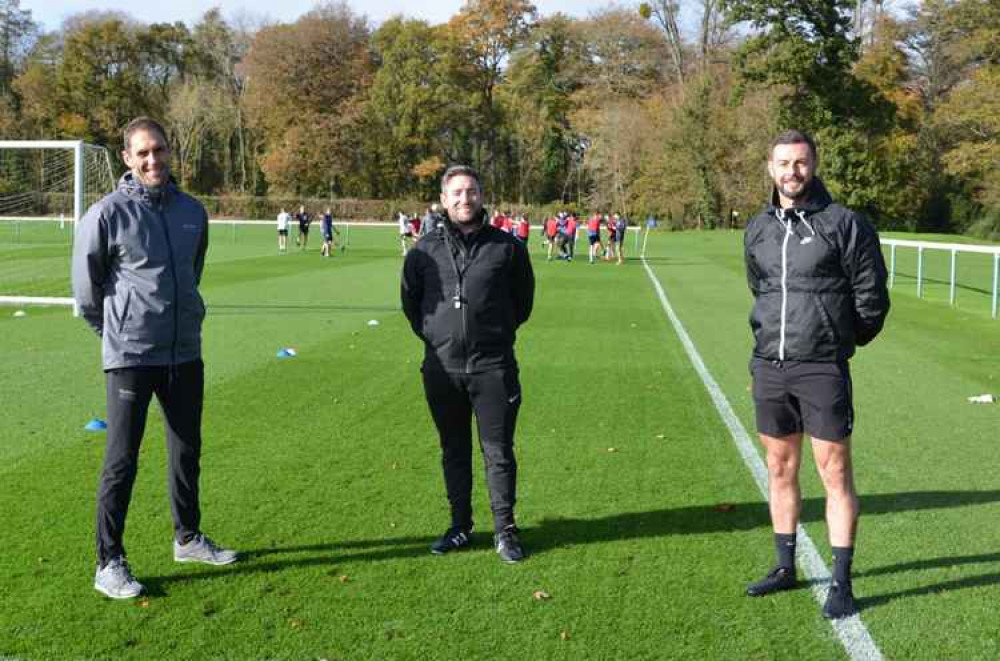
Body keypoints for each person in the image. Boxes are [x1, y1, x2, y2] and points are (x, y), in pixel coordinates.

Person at [72, 117, 237, 600]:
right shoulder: (107, 214)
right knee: (121, 458)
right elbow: (86, 292)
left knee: (187, 449)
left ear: (170, 151)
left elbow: (193, 271)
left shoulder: (192, 212)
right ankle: (110, 562)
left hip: (184, 351)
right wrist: (118, 333)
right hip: (130, 355)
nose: (153, 160)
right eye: (142, 153)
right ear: (127, 158)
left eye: (159, 150)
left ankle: (187, 538)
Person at [743, 129, 890, 619]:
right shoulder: (758, 228)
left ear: (814, 164)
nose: (792, 172)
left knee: (835, 473)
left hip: (821, 368)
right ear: (770, 167)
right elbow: (759, 289)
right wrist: (770, 342)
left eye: (801, 162)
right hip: (769, 366)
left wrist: (837, 343)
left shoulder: (845, 223)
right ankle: (785, 567)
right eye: (784, 163)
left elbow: (872, 298)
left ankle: (842, 582)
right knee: (780, 468)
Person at [401, 165, 535, 564]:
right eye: (456, 192)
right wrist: (439, 337)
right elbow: (411, 304)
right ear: (443, 199)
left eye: (471, 191)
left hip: (493, 368)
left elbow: (522, 304)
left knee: (498, 452)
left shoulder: (508, 247)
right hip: (442, 371)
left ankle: (505, 530)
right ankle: (460, 526)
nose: (464, 199)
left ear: (481, 195)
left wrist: (490, 334)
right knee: (453, 450)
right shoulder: (424, 250)